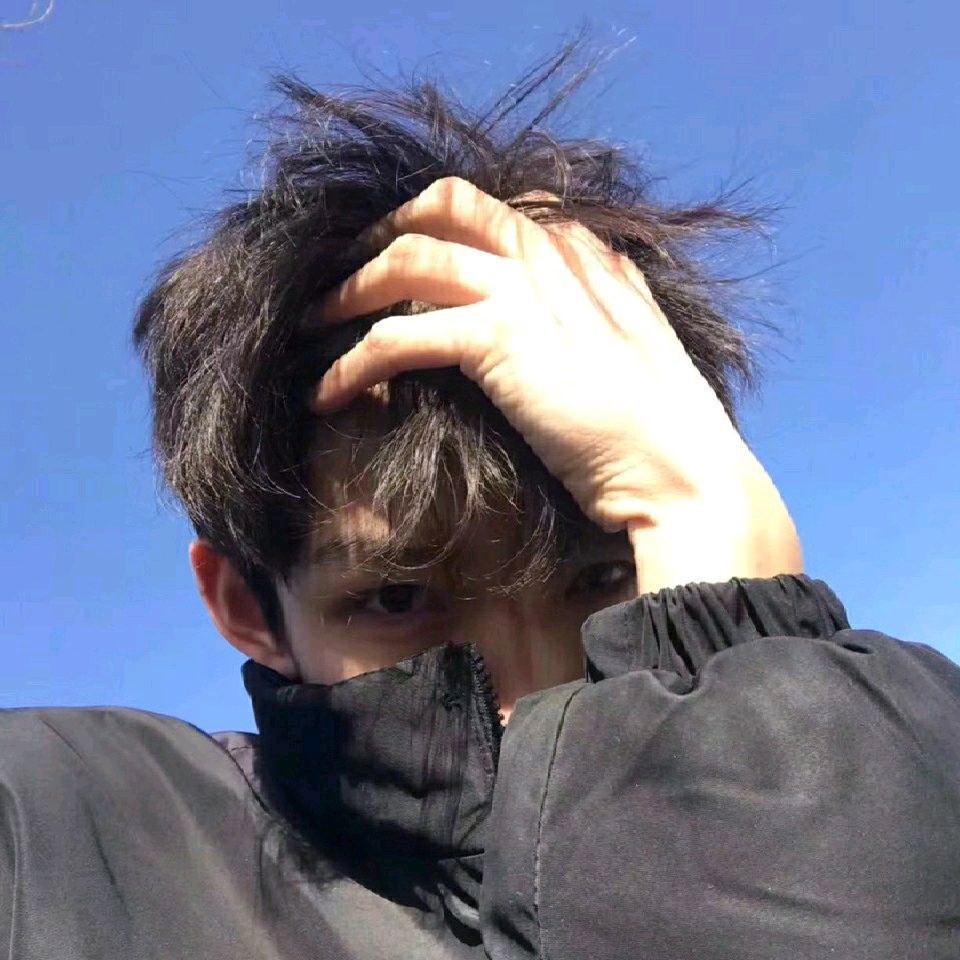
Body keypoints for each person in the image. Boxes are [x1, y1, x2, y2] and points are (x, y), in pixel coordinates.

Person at [2, 41, 959, 960]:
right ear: (245, 607)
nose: (535, 699)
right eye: (397, 597)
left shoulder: (909, 771)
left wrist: (736, 620)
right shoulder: (48, 832)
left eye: (606, 577)